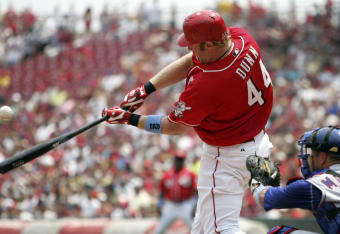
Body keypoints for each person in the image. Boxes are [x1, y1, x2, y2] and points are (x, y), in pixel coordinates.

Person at [102, 9, 273, 233]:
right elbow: (190, 61)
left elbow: (174, 126)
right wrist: (146, 89)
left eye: (193, 44)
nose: (189, 48)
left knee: (220, 229)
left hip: (228, 156)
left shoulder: (208, 84)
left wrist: (130, 119)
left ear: (210, 44)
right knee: (201, 227)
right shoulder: (242, 38)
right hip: (256, 143)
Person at [248, 126, 340, 234]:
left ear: (323, 157)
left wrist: (254, 177)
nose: (308, 157)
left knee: (280, 232)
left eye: (312, 154)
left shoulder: (316, 185)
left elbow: (264, 198)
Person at [154, 151, 197, 234]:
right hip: (171, 205)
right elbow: (162, 192)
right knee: (158, 231)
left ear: (183, 161)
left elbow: (196, 191)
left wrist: (195, 205)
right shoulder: (167, 174)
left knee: (195, 229)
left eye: (180, 160)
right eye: (177, 159)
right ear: (174, 160)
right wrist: (159, 205)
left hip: (185, 204)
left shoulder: (189, 174)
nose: (178, 162)